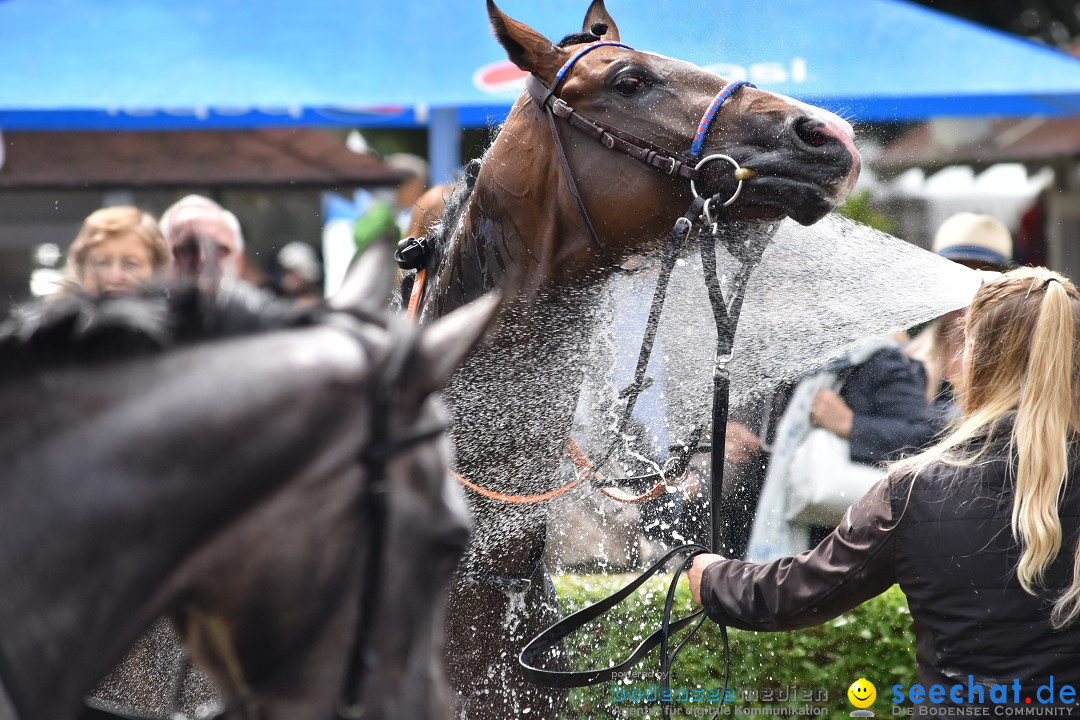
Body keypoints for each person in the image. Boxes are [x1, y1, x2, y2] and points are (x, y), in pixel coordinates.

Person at [690, 266, 1080, 712]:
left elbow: (803, 590)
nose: (952, 370)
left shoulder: (914, 490)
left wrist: (714, 578)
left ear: (978, 360)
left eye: (963, 347)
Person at [722, 334, 936, 558]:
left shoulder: (875, 359)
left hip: (836, 548)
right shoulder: (795, 359)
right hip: (768, 532)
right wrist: (738, 434)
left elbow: (926, 438)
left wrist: (851, 425)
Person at [905, 212, 1014, 428]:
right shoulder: (908, 358)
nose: (966, 288)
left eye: (981, 274)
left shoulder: (1021, 358)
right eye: (955, 271)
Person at [62, 206, 170, 295]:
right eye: (102, 263)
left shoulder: (175, 320)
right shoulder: (60, 319)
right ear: (81, 268)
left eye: (130, 264)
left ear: (156, 268)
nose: (115, 277)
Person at [159, 194, 245, 280]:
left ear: (239, 263)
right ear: (161, 261)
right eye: (189, 249)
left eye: (218, 250)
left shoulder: (253, 293)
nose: (203, 259)